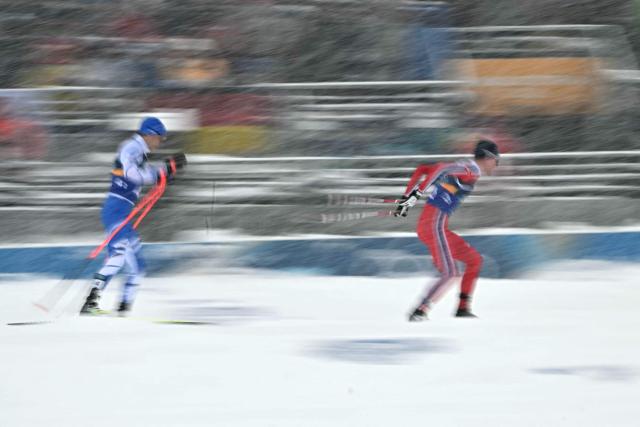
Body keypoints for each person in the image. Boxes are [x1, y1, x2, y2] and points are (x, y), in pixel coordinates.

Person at [80, 117, 186, 315]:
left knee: (138, 267)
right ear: (149, 134)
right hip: (115, 210)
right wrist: (161, 173)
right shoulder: (131, 147)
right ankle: (90, 304)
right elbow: (133, 175)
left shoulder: (139, 153)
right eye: (159, 138)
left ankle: (123, 310)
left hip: (123, 212)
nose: (160, 142)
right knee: (118, 257)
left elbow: (146, 173)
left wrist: (168, 168)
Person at [395, 140, 499, 321]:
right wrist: (413, 196)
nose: (497, 164)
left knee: (474, 260)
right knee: (451, 273)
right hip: (434, 225)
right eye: (496, 160)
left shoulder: (466, 167)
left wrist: (407, 197)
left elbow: (423, 169)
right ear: (487, 157)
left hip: (435, 226)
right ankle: (420, 311)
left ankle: (463, 308)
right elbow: (439, 171)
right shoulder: (471, 169)